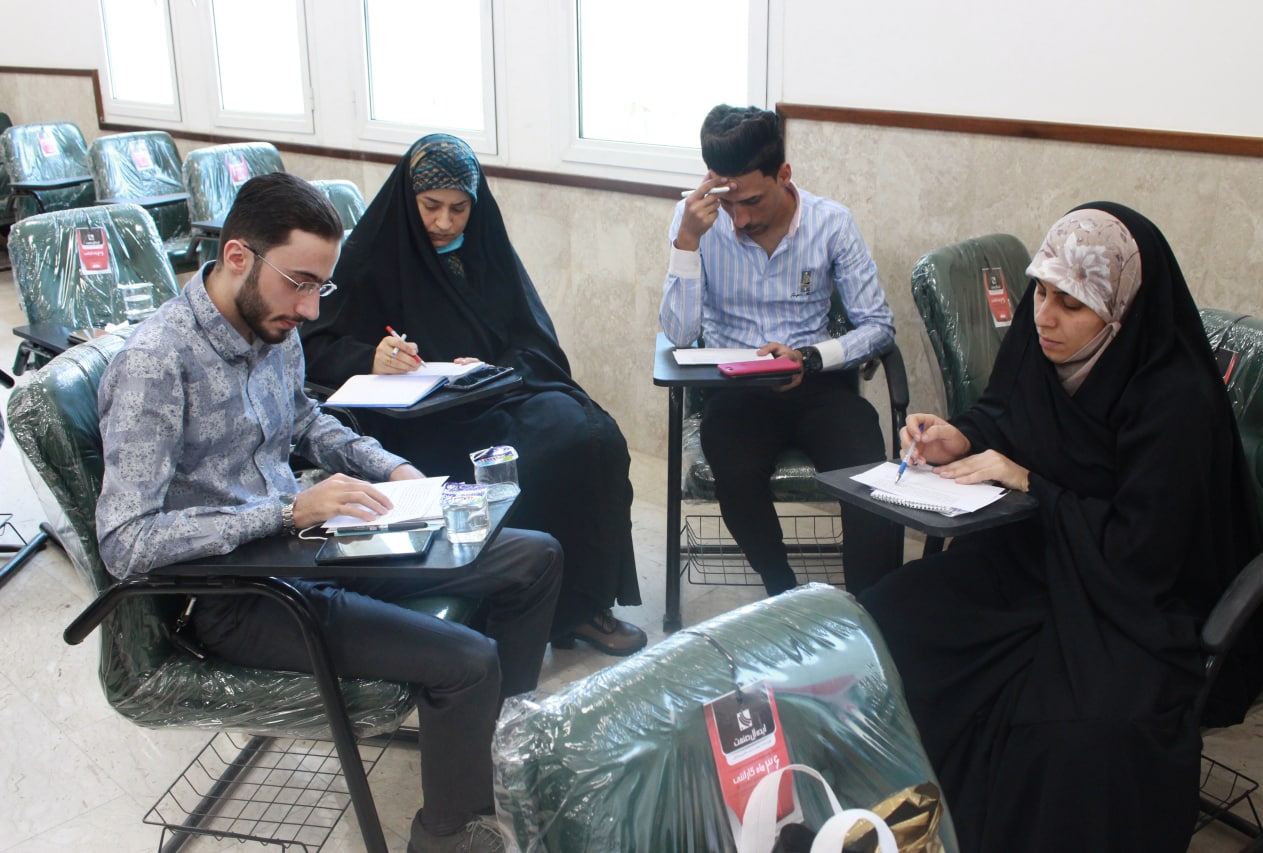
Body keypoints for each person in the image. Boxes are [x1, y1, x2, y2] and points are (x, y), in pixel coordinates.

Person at [96, 172, 563, 853]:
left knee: (534, 557)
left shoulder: (273, 325)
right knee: (468, 659)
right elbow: (126, 542)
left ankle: (495, 745)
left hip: (311, 543)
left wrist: (393, 469)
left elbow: (307, 421)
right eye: (300, 283)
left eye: (321, 286)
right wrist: (286, 512)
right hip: (244, 596)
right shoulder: (155, 364)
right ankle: (444, 835)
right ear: (237, 257)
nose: (311, 309)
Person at [860, 203, 1263, 851]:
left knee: (1073, 733)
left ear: (1119, 312)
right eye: (1041, 291)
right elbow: (1007, 413)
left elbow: (1144, 552)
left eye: (1072, 304)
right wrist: (961, 435)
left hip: (1133, 595)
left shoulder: (1176, 399)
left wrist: (1031, 482)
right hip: (1036, 555)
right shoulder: (1040, 345)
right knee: (889, 619)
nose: (1044, 317)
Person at [301, 134, 645, 655]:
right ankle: (499, 602)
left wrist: (491, 368)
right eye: (431, 206)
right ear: (408, 201)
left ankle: (580, 607)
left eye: (459, 209)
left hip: (495, 394)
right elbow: (312, 343)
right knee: (528, 457)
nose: (444, 222)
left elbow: (534, 340)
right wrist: (370, 356)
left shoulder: (485, 248)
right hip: (415, 422)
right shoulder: (371, 256)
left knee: (592, 437)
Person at [659, 104, 899, 595]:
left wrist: (810, 357)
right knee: (734, 468)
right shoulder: (696, 226)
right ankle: (783, 593)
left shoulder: (832, 224)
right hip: (736, 391)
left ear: (784, 175)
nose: (740, 218)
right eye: (728, 202)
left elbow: (878, 327)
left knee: (869, 480)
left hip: (817, 383)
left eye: (751, 200)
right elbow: (679, 336)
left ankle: (873, 607)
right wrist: (687, 243)